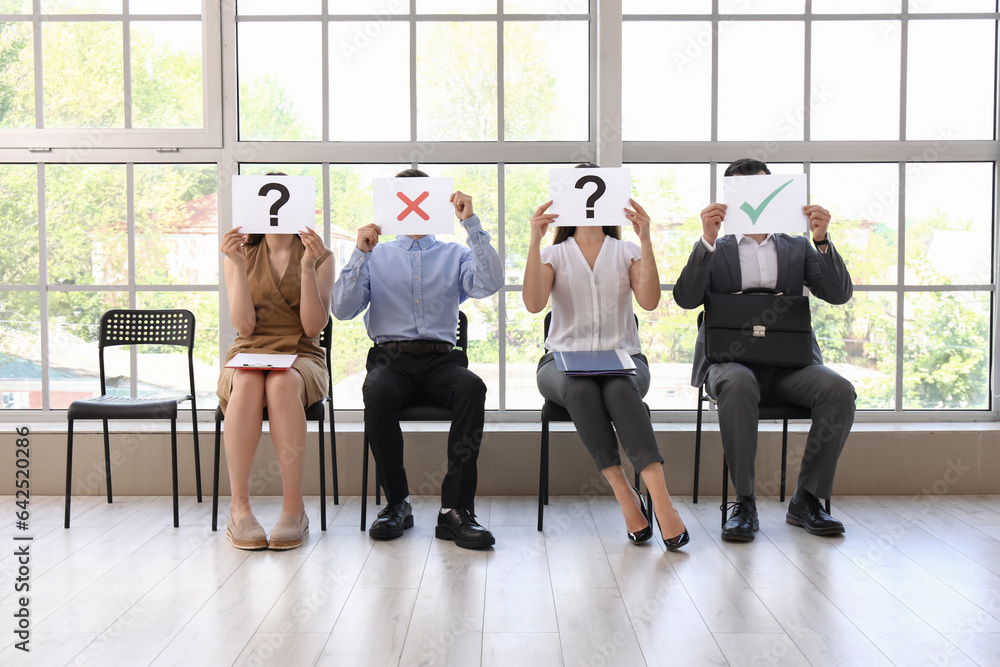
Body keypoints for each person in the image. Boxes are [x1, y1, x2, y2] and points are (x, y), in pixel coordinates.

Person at [673, 157, 856, 541]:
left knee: (839, 390)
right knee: (738, 384)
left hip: (790, 366)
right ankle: (744, 503)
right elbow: (686, 298)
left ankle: (807, 500)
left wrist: (822, 240)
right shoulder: (718, 247)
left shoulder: (797, 245)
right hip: (731, 364)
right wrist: (706, 239)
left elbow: (838, 294)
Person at [332, 168, 503, 550]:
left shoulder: (455, 253)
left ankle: (455, 512)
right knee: (376, 392)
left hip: (443, 362)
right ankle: (397, 503)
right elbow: (342, 311)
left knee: (472, 388)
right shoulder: (375, 255)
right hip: (389, 361)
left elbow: (490, 283)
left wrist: (471, 224)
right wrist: (360, 253)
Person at [521, 176, 690, 552]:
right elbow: (533, 304)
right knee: (581, 389)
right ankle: (623, 491)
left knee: (618, 388)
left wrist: (646, 238)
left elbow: (648, 302)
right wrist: (535, 240)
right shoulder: (553, 255)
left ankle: (660, 500)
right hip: (561, 362)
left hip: (623, 360)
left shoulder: (627, 251)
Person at [217, 206, 335, 551]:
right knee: (250, 381)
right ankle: (239, 509)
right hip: (249, 350)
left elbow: (313, 328)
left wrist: (307, 268)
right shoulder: (240, 255)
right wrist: (237, 264)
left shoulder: (320, 257)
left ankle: (293, 509)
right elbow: (245, 326)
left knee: (281, 382)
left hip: (302, 352)